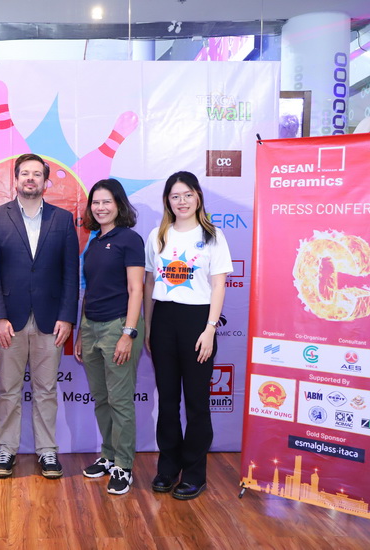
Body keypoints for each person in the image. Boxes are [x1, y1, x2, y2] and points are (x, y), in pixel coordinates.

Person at [0, 153, 79, 479]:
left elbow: (70, 274)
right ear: (16, 179)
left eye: (37, 174)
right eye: (25, 173)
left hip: (51, 320)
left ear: (46, 181)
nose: (31, 179)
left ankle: (47, 451)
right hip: (9, 320)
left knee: (46, 390)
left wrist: (67, 317)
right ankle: (6, 450)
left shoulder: (63, 219)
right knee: (8, 389)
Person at [143, 171, 232, 500]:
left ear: (198, 197)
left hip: (198, 322)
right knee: (167, 402)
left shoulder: (213, 236)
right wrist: (149, 327)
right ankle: (168, 468)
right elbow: (149, 284)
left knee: (196, 403)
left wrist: (210, 329)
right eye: (175, 196)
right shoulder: (158, 235)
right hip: (164, 320)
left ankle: (194, 474)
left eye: (187, 195)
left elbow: (219, 285)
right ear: (167, 201)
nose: (182, 201)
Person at [74, 179, 145, 495]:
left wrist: (128, 334)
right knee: (102, 398)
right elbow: (89, 290)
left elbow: (136, 289)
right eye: (96, 202)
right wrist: (81, 332)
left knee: (120, 400)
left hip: (119, 326)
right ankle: (109, 455)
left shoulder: (130, 239)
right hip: (91, 327)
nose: (100, 208)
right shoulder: (93, 242)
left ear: (119, 204)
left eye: (107, 202)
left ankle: (124, 466)